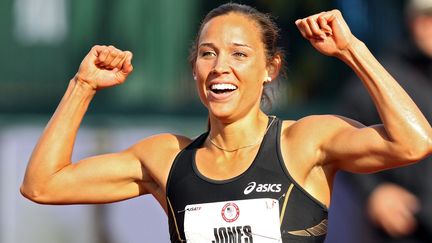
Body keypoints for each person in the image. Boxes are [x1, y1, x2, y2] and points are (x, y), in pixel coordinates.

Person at [20, 3, 432, 243]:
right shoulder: (167, 158)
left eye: (239, 54)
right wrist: (82, 85)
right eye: (207, 54)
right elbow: (42, 185)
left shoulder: (304, 141)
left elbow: (413, 142)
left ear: (270, 68)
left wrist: (352, 51)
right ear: (194, 69)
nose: (221, 68)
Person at [336, 0, 432, 242]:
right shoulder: (384, 77)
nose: (426, 26)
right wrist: (374, 191)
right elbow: (343, 139)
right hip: (410, 226)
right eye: (422, 17)